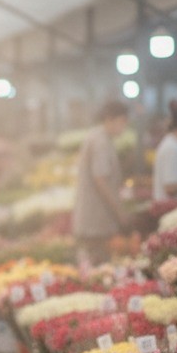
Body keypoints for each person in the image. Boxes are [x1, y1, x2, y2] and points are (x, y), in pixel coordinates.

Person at [72, 100, 131, 264]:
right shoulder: (101, 142)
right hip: (96, 219)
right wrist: (119, 212)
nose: (124, 127)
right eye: (122, 122)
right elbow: (101, 180)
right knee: (99, 263)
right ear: (109, 119)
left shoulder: (98, 136)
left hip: (94, 218)